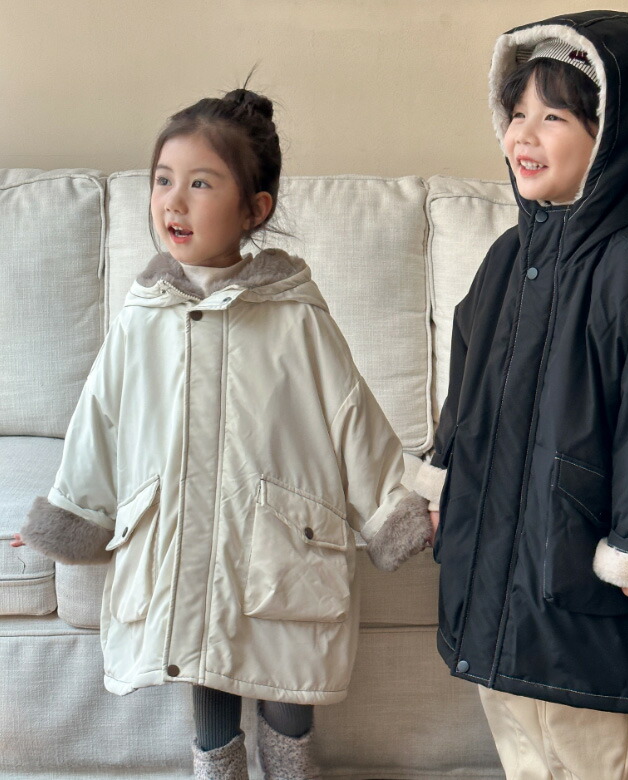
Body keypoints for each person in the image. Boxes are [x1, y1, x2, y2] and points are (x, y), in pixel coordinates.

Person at [12, 86, 432, 780]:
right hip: (181, 533)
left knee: (289, 667)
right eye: (163, 180)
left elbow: (351, 414)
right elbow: (99, 421)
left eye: (200, 184)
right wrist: (69, 514)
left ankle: (291, 767)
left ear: (254, 209)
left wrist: (397, 508)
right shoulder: (143, 317)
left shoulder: (296, 315)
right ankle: (218, 770)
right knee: (201, 655)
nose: (173, 202)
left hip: (280, 534)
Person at [413, 11, 628, 779]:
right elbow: (468, 381)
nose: (523, 134)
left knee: (580, 733)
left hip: (573, 545)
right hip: (498, 538)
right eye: (517, 112)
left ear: (614, 134)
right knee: (513, 717)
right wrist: (443, 476)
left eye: (552, 117)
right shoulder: (506, 256)